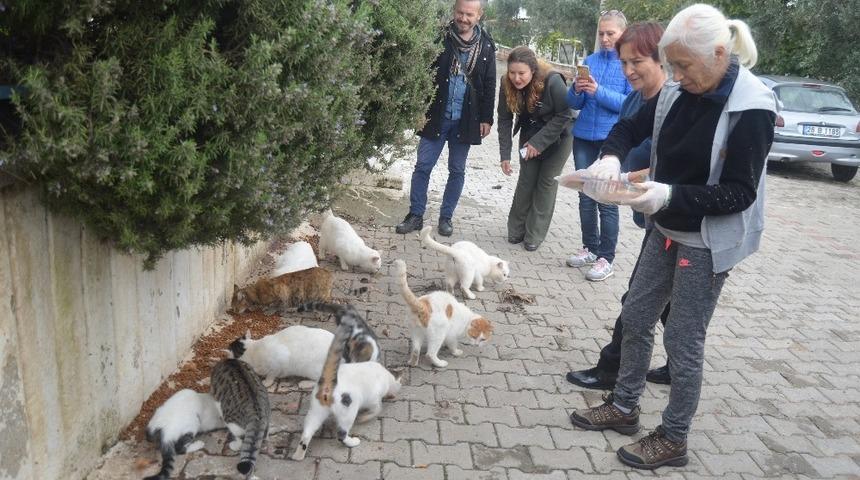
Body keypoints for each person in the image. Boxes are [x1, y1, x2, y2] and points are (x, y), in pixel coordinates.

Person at [568, 4, 776, 470]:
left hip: (706, 237)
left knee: (683, 338)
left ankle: (675, 436)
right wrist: (611, 158)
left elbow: (740, 193)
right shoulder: (676, 90)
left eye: (684, 65)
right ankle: (624, 407)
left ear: (720, 53)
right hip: (665, 225)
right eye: (673, 66)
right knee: (637, 313)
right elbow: (630, 125)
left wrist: (667, 195)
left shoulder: (753, 106)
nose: (677, 76)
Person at [567, 22, 672, 390]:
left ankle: (612, 370)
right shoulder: (638, 96)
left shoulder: (673, 99)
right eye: (624, 63)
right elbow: (624, 131)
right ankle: (678, 365)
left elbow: (677, 165)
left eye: (636, 62)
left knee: (639, 295)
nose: (628, 71)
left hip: (680, 216)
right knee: (668, 297)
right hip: (654, 212)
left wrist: (629, 179)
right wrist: (609, 162)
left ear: (662, 57)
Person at [395, 0, 497, 237]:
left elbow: (489, 84)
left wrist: (486, 119)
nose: (464, 18)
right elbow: (421, 74)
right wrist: (417, 108)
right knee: (422, 166)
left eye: (469, 14)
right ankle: (416, 215)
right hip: (436, 115)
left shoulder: (486, 46)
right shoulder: (439, 36)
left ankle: (446, 218)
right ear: (454, 11)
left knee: (457, 170)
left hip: (466, 118)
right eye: (460, 12)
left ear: (479, 16)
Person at [565, 10, 632, 282]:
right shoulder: (589, 61)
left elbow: (629, 105)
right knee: (585, 195)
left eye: (610, 34)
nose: (605, 39)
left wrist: (598, 91)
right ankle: (590, 248)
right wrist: (577, 89)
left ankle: (607, 257)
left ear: (622, 35)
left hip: (611, 140)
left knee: (606, 198)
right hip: (583, 137)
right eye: (601, 33)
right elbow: (574, 103)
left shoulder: (629, 64)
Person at [496, 47, 574, 251]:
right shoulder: (506, 83)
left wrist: (538, 143)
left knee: (546, 183)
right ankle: (516, 230)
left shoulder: (552, 80)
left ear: (533, 70)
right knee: (526, 181)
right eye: (512, 72)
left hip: (560, 135)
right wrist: (505, 155)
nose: (516, 78)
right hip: (530, 131)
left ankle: (534, 234)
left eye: (521, 73)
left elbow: (565, 115)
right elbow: (504, 120)